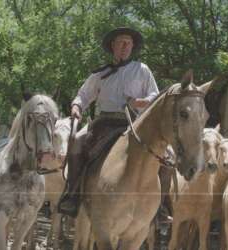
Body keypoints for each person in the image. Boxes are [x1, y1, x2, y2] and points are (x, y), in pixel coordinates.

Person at [58, 27, 159, 217]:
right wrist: (76, 107)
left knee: (164, 153)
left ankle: (159, 207)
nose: (124, 46)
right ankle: (72, 195)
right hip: (103, 122)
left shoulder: (142, 70)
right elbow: (83, 95)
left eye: (128, 43)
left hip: (134, 123)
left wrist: (143, 102)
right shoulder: (100, 73)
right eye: (121, 42)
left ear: (132, 47)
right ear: (113, 46)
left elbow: (155, 95)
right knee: (77, 142)